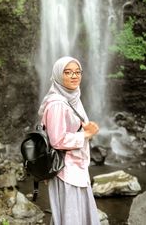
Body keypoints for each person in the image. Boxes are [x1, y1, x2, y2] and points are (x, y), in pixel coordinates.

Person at [38, 56, 100, 225]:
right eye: (68, 72)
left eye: (77, 72)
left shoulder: (72, 98)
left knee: (73, 215)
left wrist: (85, 129)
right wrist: (86, 135)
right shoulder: (57, 103)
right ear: (58, 75)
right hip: (65, 170)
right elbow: (57, 140)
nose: (74, 76)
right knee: (70, 217)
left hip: (76, 167)